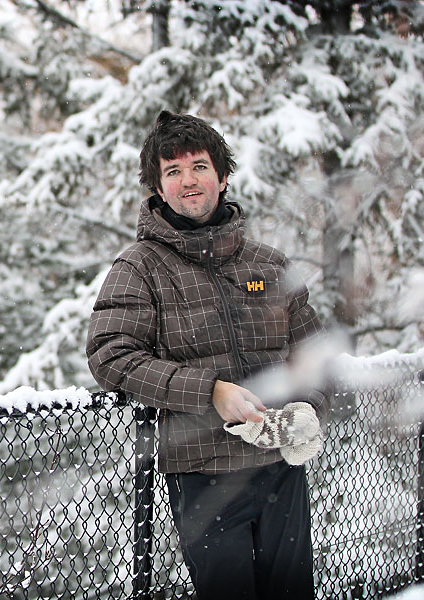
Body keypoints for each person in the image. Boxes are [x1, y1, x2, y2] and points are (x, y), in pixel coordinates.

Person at [86, 111, 331, 599]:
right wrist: (210, 392)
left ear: (222, 176)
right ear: (158, 189)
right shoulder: (140, 268)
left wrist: (309, 406)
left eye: (198, 166)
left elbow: (313, 349)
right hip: (203, 475)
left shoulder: (267, 263)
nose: (188, 180)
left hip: (280, 469)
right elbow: (110, 355)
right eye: (172, 171)